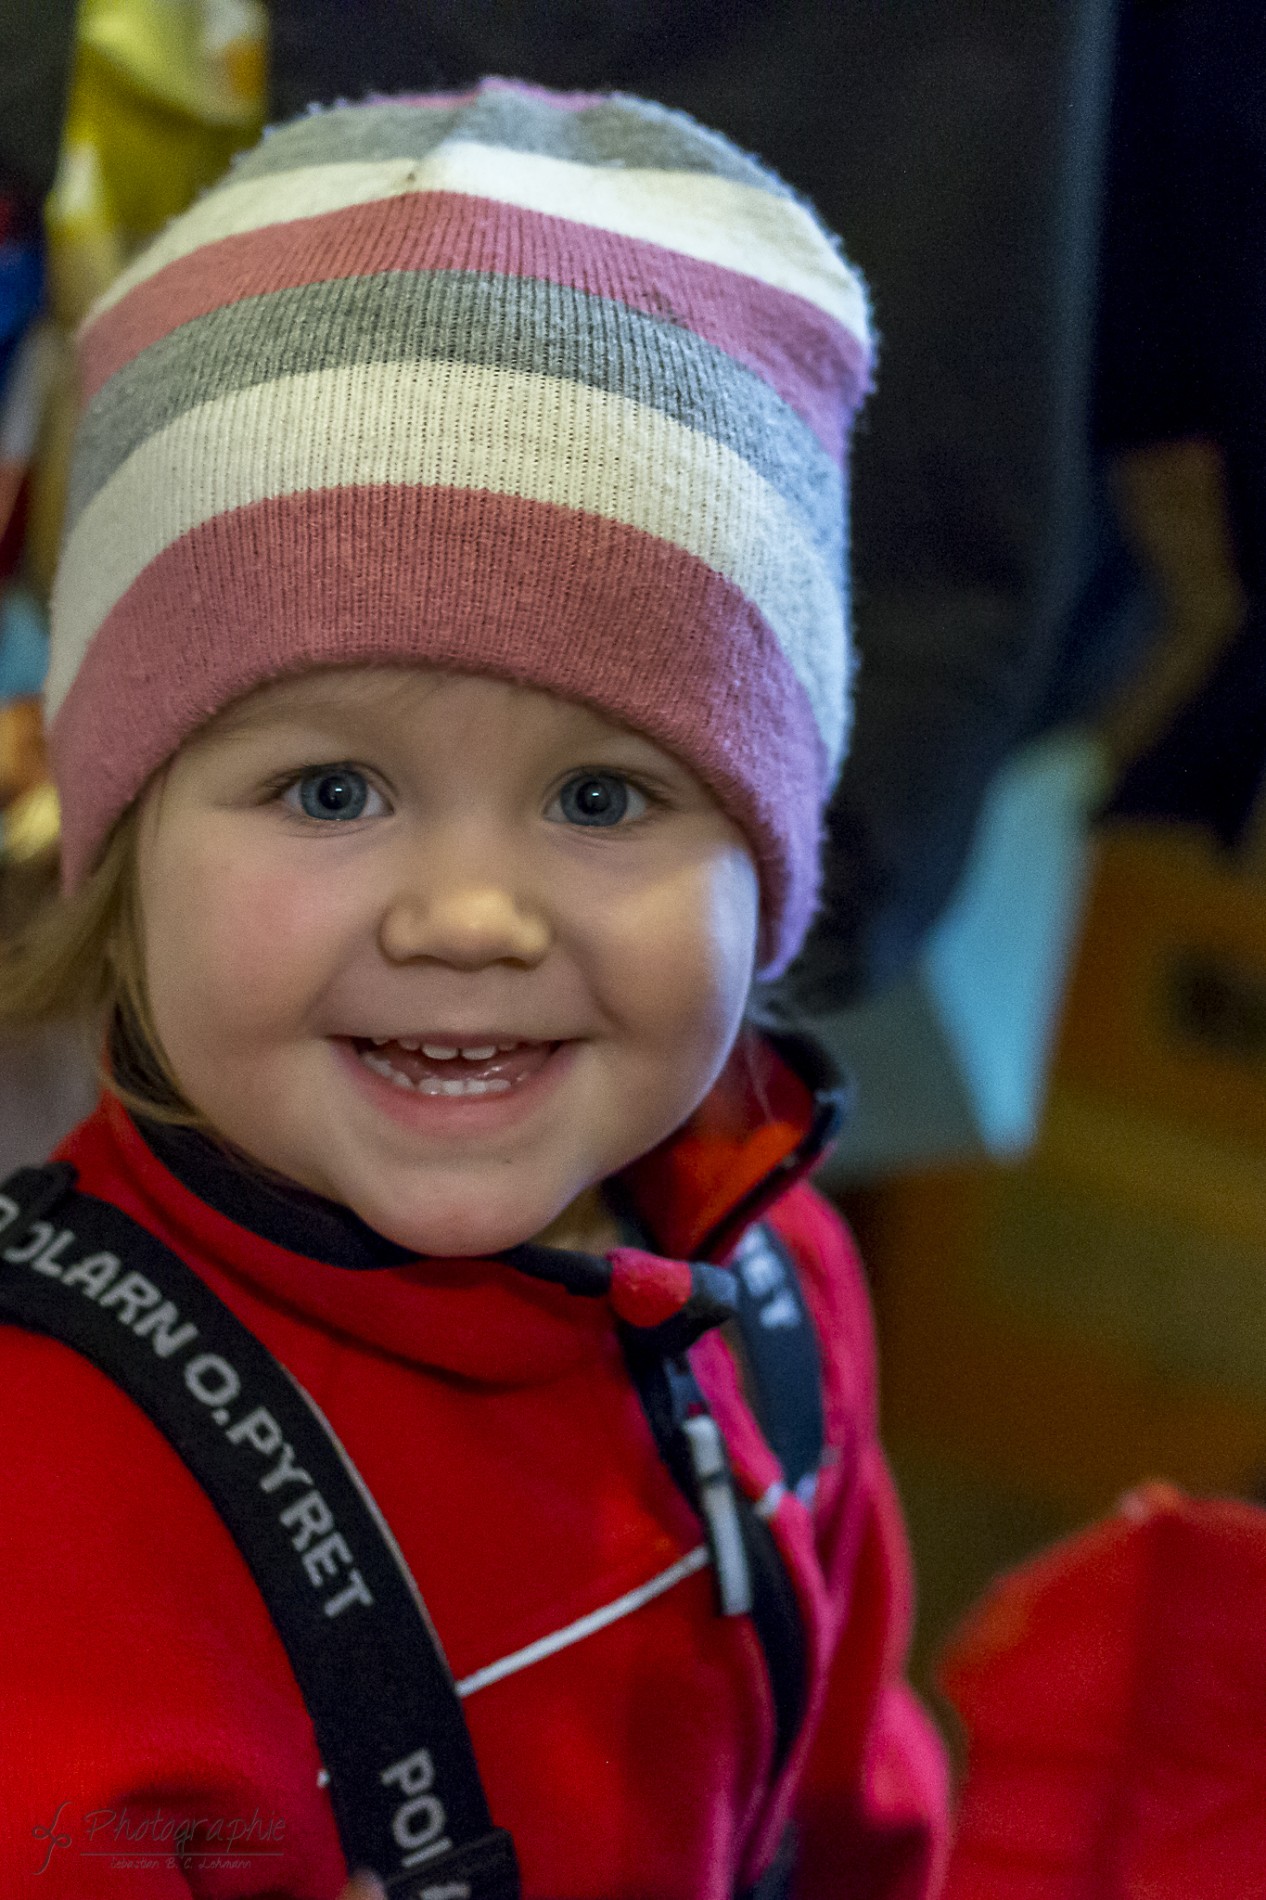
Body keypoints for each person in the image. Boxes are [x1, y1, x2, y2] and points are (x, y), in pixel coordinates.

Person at [0, 80, 948, 1899]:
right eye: (331, 791)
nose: (467, 915)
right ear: (119, 858)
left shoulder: (774, 1283)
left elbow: (855, 1807)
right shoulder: (53, 1505)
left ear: (772, 863)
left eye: (605, 797)